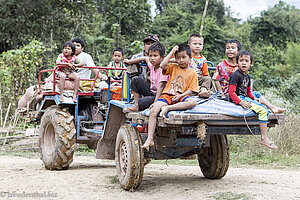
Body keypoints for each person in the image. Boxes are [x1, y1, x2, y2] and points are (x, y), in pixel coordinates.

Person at [142, 44, 198, 148]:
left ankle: (168, 108)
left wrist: (182, 95)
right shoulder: (173, 67)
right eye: (178, 58)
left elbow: (192, 90)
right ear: (175, 59)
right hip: (168, 94)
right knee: (154, 110)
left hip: (181, 96)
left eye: (184, 57)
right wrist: (172, 52)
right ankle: (150, 139)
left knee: (193, 102)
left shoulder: (192, 72)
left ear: (190, 58)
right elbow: (162, 65)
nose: (181, 60)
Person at [18, 38, 97, 109]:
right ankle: (59, 94)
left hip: (72, 76)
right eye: (65, 48)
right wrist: (67, 64)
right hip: (62, 73)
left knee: (76, 77)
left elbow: (90, 66)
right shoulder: (61, 56)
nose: (66, 50)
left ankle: (74, 95)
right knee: (59, 76)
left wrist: (75, 65)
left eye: (77, 46)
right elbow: (57, 63)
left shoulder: (80, 57)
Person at [213, 39, 286, 114]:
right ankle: (264, 110)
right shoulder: (221, 65)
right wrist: (221, 93)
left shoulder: (241, 66)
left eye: (233, 48)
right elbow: (216, 80)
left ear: (239, 51)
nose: (230, 50)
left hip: (240, 92)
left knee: (256, 94)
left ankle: (272, 107)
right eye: (228, 48)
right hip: (228, 93)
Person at [229, 50, 278, 149]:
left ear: (251, 64)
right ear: (237, 63)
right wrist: (241, 102)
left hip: (245, 97)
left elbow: (248, 92)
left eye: (246, 61)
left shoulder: (247, 76)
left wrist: (254, 99)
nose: (243, 63)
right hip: (239, 99)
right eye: (241, 60)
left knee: (263, 106)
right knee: (263, 110)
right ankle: (264, 138)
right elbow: (231, 92)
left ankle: (272, 108)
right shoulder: (235, 75)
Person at [123, 42, 169, 111]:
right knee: (135, 79)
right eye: (151, 56)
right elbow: (144, 58)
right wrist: (130, 62)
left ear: (162, 57)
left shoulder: (164, 69)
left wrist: (156, 102)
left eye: (155, 56)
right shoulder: (151, 65)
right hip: (151, 92)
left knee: (141, 102)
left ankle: (141, 104)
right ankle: (136, 105)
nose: (152, 58)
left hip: (161, 96)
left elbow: (161, 86)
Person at [188, 34, 212, 98]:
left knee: (208, 78)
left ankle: (203, 90)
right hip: (187, 78)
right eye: (195, 44)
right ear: (189, 45)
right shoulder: (186, 56)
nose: (197, 46)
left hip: (197, 78)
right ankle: (198, 90)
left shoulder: (203, 59)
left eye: (200, 44)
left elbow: (205, 74)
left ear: (203, 46)